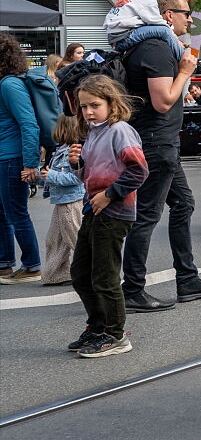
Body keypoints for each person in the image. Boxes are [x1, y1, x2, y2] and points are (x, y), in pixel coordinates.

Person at [120, 0, 201, 312]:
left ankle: (187, 278)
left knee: (184, 204)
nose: (190, 18)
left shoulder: (150, 45)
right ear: (167, 15)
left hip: (160, 141)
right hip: (155, 142)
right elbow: (163, 100)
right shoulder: (154, 47)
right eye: (185, 12)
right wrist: (185, 70)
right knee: (147, 214)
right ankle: (133, 289)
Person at [66, 74, 149, 357]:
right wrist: (77, 165)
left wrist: (110, 193)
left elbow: (139, 170)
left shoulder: (120, 131)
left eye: (95, 105)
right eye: (84, 107)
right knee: (80, 274)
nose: (88, 112)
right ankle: (98, 327)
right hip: (94, 209)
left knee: (104, 276)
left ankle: (115, 335)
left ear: (111, 103)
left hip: (114, 212)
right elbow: (88, 176)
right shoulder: (93, 132)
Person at [0, 33, 43, 284]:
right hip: (6, 157)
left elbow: (29, 125)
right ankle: (5, 263)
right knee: (4, 213)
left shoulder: (9, 84)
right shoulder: (5, 84)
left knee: (16, 213)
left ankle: (31, 266)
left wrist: (30, 164)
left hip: (12, 158)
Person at [38, 115, 87, 286]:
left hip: (71, 202)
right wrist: (40, 174)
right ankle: (56, 274)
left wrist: (50, 175)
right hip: (61, 201)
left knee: (76, 238)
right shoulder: (60, 150)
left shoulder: (72, 151)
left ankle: (95, 272)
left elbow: (76, 178)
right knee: (55, 239)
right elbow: (51, 173)